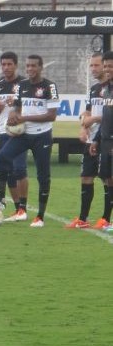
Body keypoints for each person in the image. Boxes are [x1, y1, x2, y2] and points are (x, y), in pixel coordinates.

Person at [0, 54, 60, 228]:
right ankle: (16, 205)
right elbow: (17, 108)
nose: (30, 69)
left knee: (43, 176)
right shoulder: (21, 85)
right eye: (28, 66)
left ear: (41, 67)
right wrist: (13, 115)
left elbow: (51, 116)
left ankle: (40, 216)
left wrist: (23, 117)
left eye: (34, 66)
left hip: (42, 136)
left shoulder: (50, 86)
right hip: (23, 135)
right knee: (3, 157)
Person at [0, 51, 30, 222]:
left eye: (9, 64)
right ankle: (14, 207)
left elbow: (32, 107)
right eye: (3, 64)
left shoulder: (25, 84)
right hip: (2, 132)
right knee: (7, 171)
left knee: (19, 169)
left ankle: (22, 208)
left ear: (16, 65)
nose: (6, 67)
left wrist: (16, 104)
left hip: (19, 132)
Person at [66, 53, 109, 229]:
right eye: (91, 66)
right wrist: (83, 127)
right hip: (91, 139)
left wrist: (94, 120)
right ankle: (83, 219)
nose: (93, 69)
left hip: (107, 139)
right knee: (86, 177)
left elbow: (109, 115)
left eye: (96, 65)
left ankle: (105, 219)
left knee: (108, 178)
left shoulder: (111, 88)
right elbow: (87, 112)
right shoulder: (93, 89)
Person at [89, 51, 113, 231]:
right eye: (106, 66)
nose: (108, 69)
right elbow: (105, 118)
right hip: (105, 141)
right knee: (107, 178)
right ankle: (106, 218)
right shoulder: (106, 89)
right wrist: (96, 139)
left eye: (110, 66)